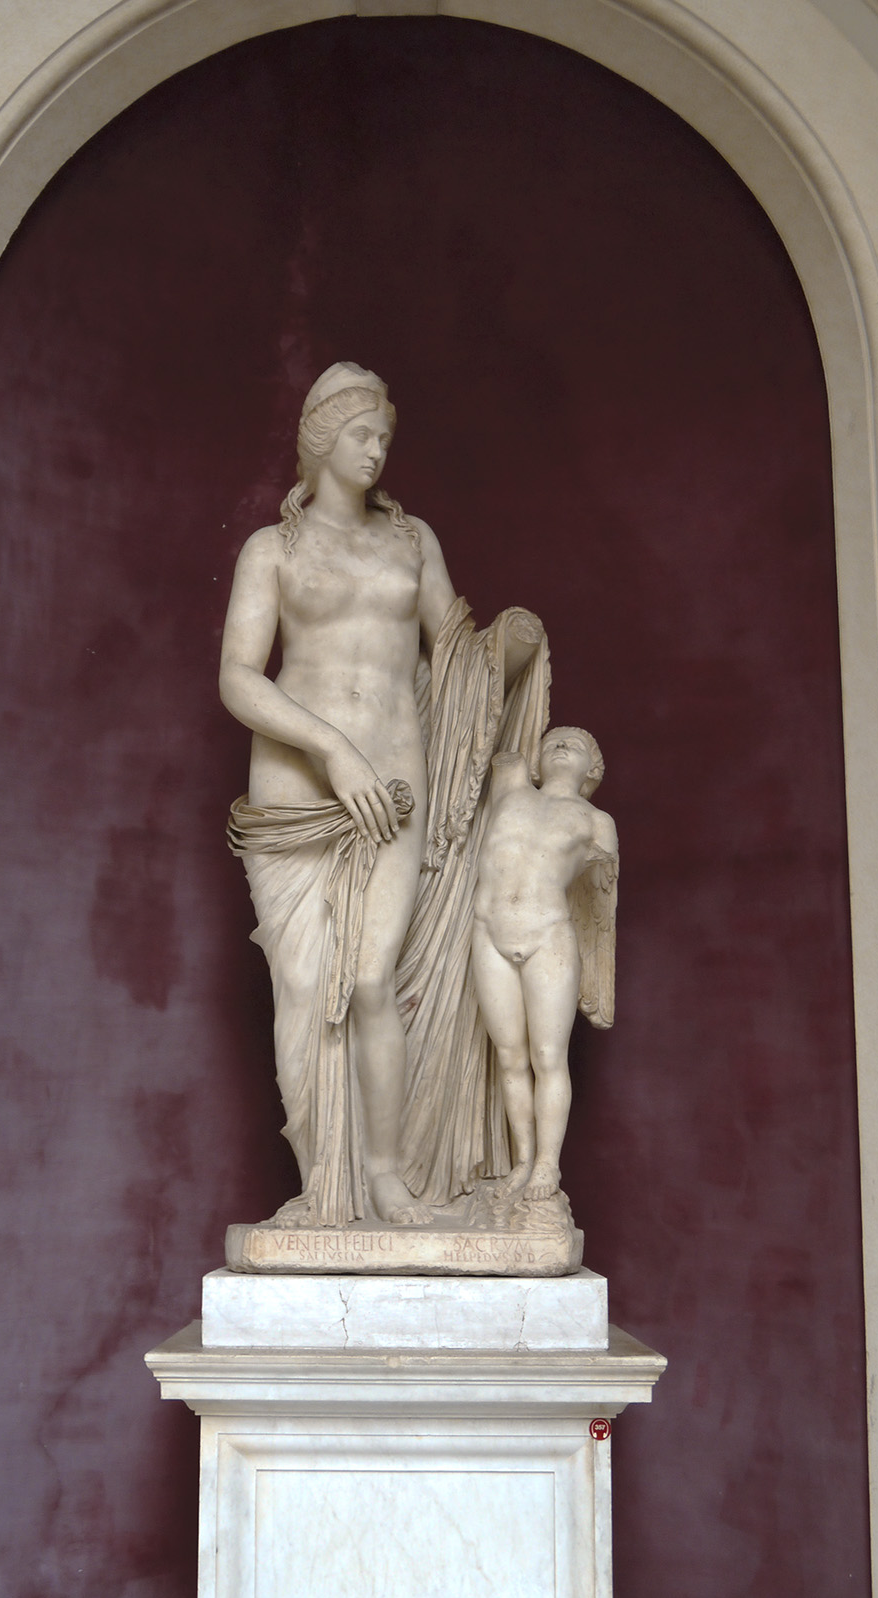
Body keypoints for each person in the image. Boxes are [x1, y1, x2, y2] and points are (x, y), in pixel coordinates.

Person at [221, 363, 548, 1226]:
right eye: (362, 435)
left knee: (371, 979)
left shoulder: (412, 542)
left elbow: (458, 657)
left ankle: (384, 1177)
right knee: (303, 986)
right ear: (322, 439)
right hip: (298, 790)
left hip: (397, 789)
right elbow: (238, 678)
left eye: (384, 438)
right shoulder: (272, 550)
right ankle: (319, 1190)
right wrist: (332, 748)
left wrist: (510, 646)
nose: (376, 451)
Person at [471, 727, 618, 1207]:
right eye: (553, 739)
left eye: (576, 745)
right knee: (509, 1056)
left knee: (548, 1056)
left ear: (592, 771)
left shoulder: (595, 819)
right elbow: (487, 732)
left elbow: (602, 894)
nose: (561, 744)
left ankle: (547, 1164)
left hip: (549, 934)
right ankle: (522, 1160)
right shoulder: (512, 788)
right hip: (488, 930)